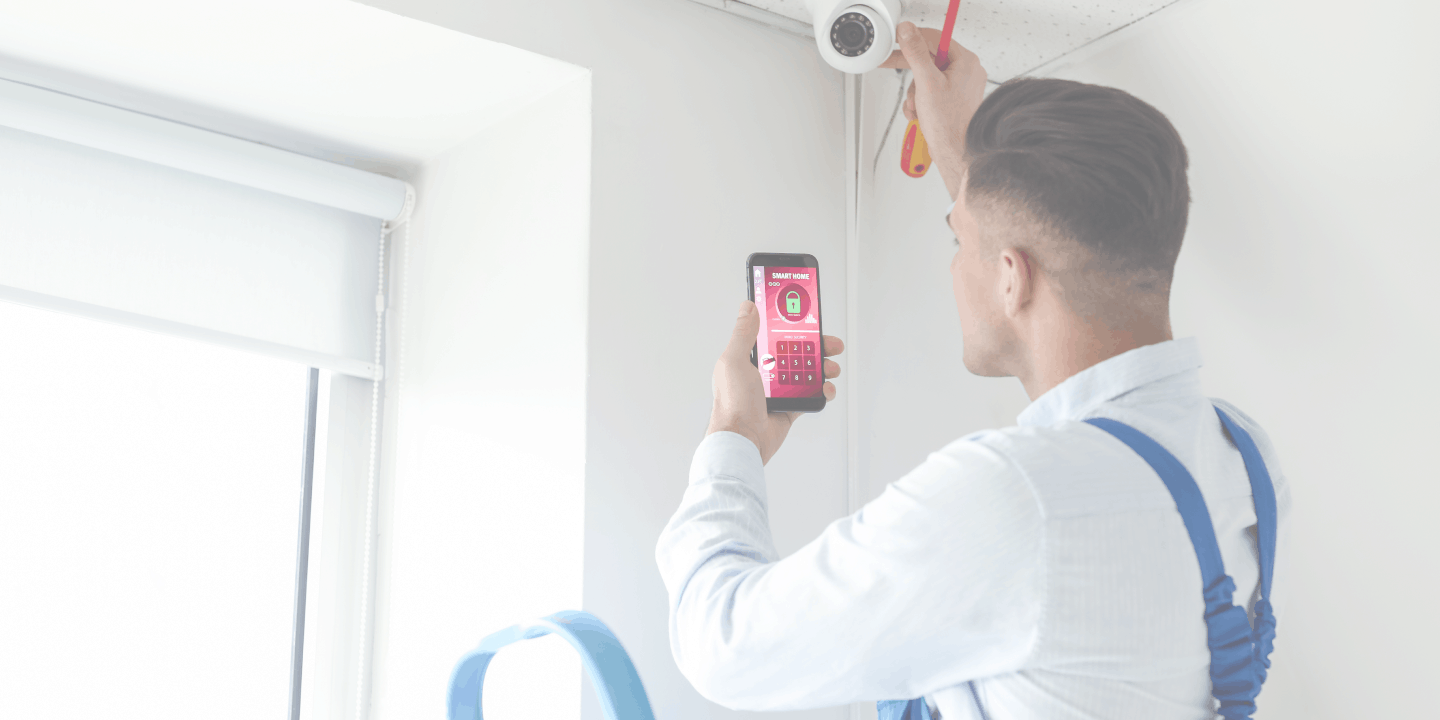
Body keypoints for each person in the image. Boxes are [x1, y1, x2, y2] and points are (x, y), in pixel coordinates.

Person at [655, 20, 1292, 720]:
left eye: (959, 242)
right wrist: (975, 171)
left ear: (1012, 278)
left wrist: (732, 438)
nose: (956, 266)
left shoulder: (1011, 502)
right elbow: (1043, 253)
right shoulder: (1244, 456)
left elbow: (722, 643)